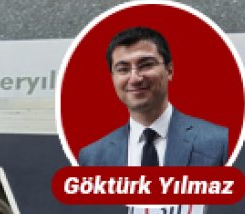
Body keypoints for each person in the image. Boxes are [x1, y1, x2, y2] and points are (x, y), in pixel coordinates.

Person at [78, 26, 228, 167]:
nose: (135, 78)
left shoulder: (220, 143)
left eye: (146, 65)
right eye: (123, 69)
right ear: (112, 78)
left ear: (170, 70)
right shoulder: (92, 158)